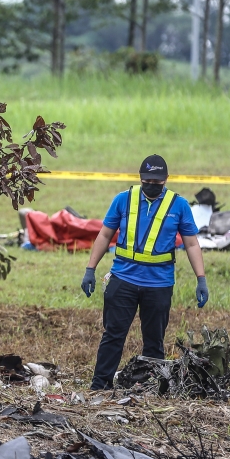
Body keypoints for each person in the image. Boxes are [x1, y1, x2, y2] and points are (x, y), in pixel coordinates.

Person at [82, 155, 209, 390]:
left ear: (166, 180)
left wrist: (201, 279)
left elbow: (191, 244)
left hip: (159, 284)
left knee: (154, 341)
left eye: (157, 181)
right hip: (123, 280)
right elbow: (104, 235)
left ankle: (151, 387)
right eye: (147, 180)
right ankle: (100, 385)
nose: (152, 185)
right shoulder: (123, 200)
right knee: (113, 335)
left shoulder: (178, 205)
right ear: (140, 178)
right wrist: (90, 269)